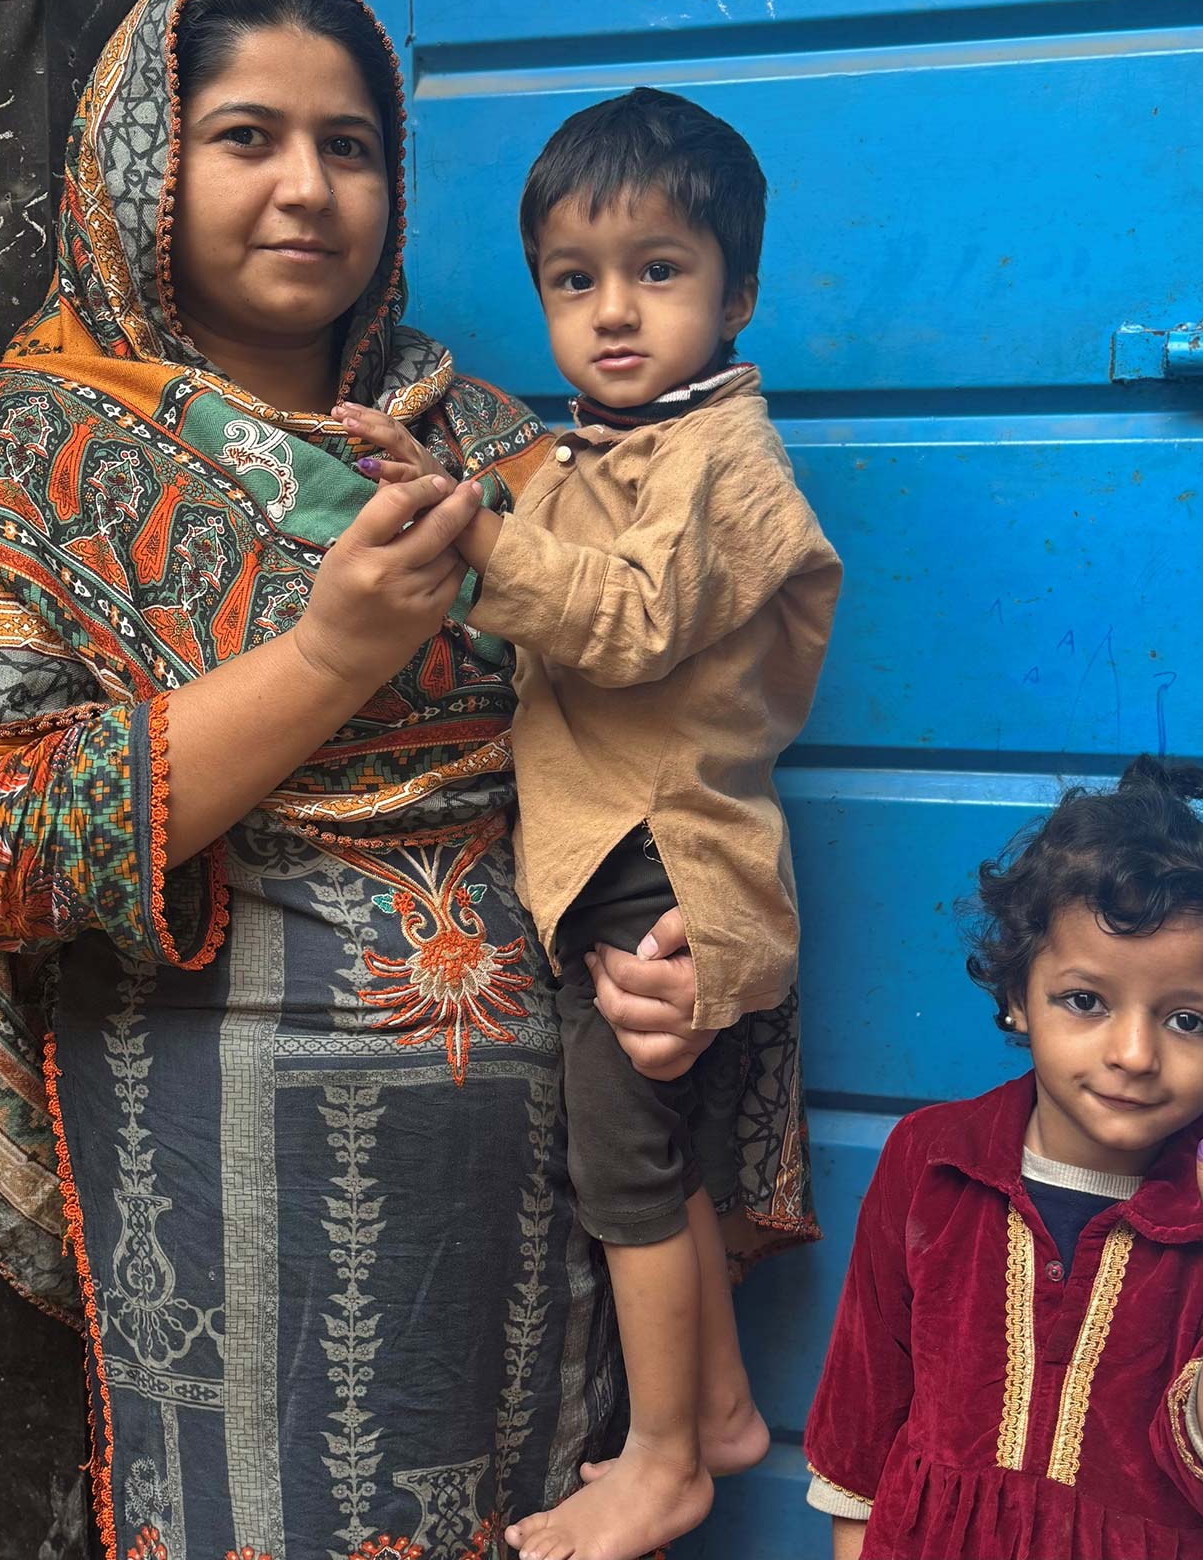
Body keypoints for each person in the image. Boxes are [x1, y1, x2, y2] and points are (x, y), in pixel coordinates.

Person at [0, 0, 813, 1560]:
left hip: (550, 1196)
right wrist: (328, 655)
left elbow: (687, 734)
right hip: (226, 1188)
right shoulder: (29, 458)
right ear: (143, 162)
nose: (308, 188)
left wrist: (695, 961)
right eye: (247, 136)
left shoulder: (500, 437)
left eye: (351, 145)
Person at [340, 86, 841, 1560]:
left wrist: (484, 535)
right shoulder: (593, 448)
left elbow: (619, 624)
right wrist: (446, 493)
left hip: (660, 858)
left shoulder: (725, 465)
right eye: (575, 281)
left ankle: (669, 1457)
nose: (613, 314)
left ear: (738, 290)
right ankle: (729, 1406)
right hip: (608, 852)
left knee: (624, 1170)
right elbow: (530, 551)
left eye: (659, 273)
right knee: (640, 1159)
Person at [802, 757, 1203, 1560]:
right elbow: (862, 1410)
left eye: (1187, 1019)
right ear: (1018, 996)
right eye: (1086, 1001)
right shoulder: (932, 1159)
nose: (1133, 1053)